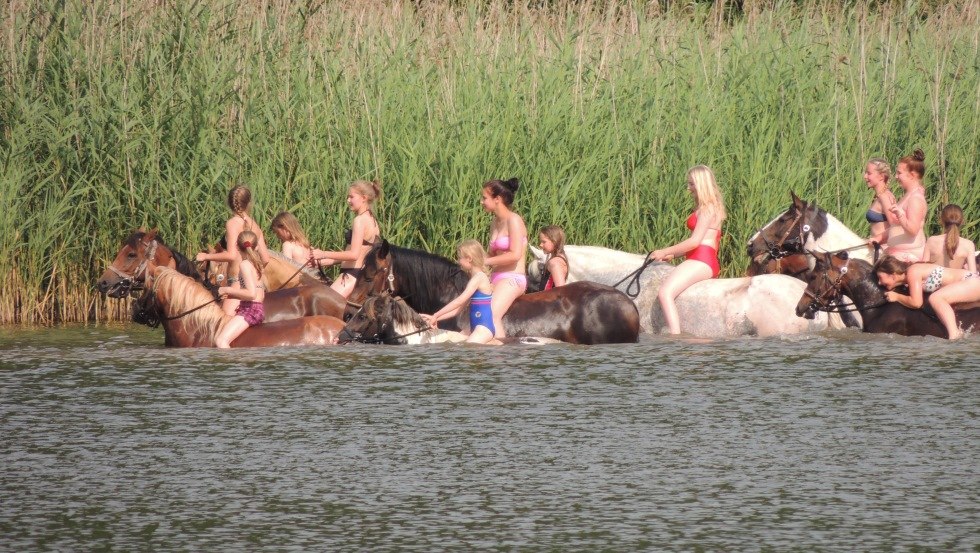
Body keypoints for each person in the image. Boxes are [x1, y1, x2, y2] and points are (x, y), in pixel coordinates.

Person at [648, 165, 726, 335]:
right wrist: (672, 254)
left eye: (691, 184)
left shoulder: (707, 209)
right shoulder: (709, 207)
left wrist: (662, 251)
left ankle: (675, 334)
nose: (688, 188)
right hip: (701, 258)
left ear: (701, 184)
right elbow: (700, 242)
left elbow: (694, 242)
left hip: (701, 260)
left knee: (665, 293)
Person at [197, 185, 271, 315]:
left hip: (238, 282)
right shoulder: (255, 225)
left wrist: (205, 257)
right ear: (249, 203)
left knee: (224, 322)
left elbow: (231, 255)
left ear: (229, 203)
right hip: (257, 286)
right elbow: (265, 258)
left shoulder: (232, 223)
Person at [876, 255, 980, 340]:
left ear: (893, 274)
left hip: (970, 281)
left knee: (936, 298)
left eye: (880, 277)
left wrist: (897, 297)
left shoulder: (912, 272)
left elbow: (916, 303)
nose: (879, 282)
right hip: (970, 283)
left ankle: (955, 334)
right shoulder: (909, 279)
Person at [311, 180, 382, 298]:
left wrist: (322, 253)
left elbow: (353, 255)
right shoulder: (372, 220)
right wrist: (323, 262)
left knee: (323, 307)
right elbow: (360, 253)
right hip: (357, 274)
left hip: (351, 275)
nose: (348, 200)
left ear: (363, 198)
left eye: (351, 197)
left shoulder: (359, 221)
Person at [420, 240, 500, 344]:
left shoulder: (479, 277)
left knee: (467, 350)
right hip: (475, 328)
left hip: (484, 329)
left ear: (469, 259)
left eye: (460, 258)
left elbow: (459, 301)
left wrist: (435, 314)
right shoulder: (473, 278)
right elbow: (457, 310)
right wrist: (436, 318)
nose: (458, 261)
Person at [482, 178, 528, 338]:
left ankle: (501, 356)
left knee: (491, 315)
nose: (482, 202)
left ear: (497, 199)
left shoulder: (514, 220)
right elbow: (491, 255)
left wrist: (485, 261)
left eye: (484, 198)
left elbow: (515, 255)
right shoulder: (494, 222)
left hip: (513, 278)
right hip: (494, 277)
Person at [214, 231, 267, 348]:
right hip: (255, 308)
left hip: (250, 310)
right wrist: (234, 295)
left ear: (237, 246)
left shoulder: (245, 265)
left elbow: (251, 294)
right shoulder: (256, 263)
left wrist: (227, 290)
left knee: (220, 341)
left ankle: (233, 366)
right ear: (257, 246)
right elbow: (257, 292)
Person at [876, 149, 927, 261]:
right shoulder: (909, 195)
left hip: (908, 256)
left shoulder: (915, 199)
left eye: (899, 173)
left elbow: (913, 230)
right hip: (897, 254)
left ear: (912, 175)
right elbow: (897, 227)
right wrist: (878, 238)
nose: (896, 176)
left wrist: (900, 215)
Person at [922, 204, 977, 271]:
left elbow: (923, 268)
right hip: (956, 281)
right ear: (962, 221)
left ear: (941, 220)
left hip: (934, 280)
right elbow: (972, 273)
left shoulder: (932, 240)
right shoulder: (968, 245)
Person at [863, 157, 898, 246]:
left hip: (882, 248)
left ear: (881, 176)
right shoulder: (881, 195)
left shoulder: (884, 197)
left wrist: (876, 239)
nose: (865, 176)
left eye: (869, 173)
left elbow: (895, 226)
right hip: (877, 245)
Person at [538, 225, 568, 289]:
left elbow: (560, 290)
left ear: (554, 241)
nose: (540, 245)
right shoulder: (560, 258)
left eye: (544, 242)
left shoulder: (555, 263)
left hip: (547, 298)